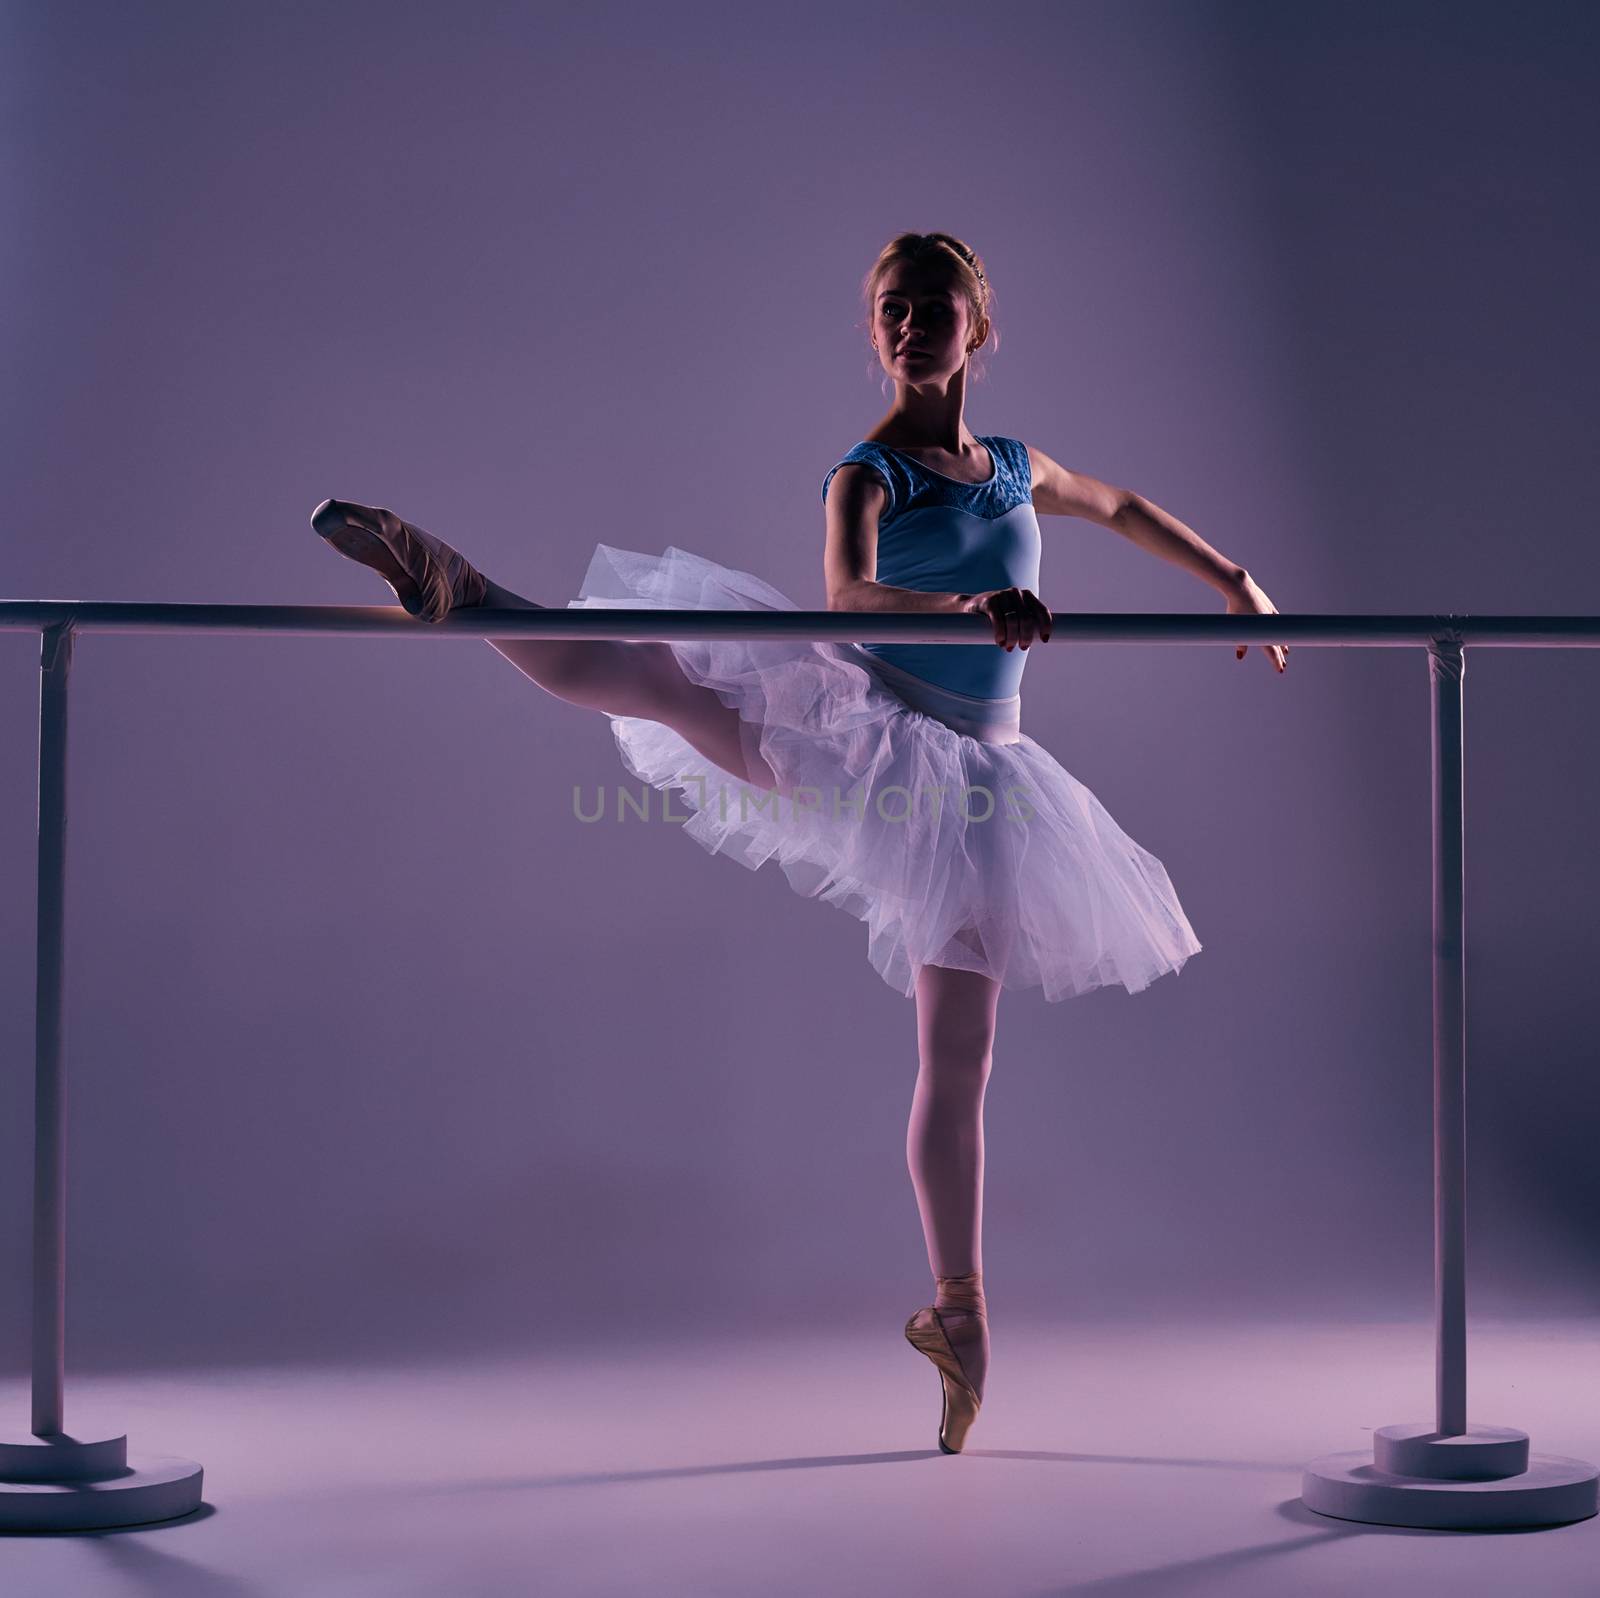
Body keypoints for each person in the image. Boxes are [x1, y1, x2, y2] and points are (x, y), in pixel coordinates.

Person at [308, 230, 1289, 1455]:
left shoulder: (1017, 467)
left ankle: (961, 1312)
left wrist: (1237, 580)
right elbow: (847, 594)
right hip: (863, 733)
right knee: (657, 676)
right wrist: (970, 604)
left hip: (985, 774)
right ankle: (464, 591)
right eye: (890, 308)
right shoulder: (866, 471)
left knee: (959, 1055)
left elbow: (1125, 505)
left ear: (978, 323)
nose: (909, 325)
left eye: (932, 305)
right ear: (871, 328)